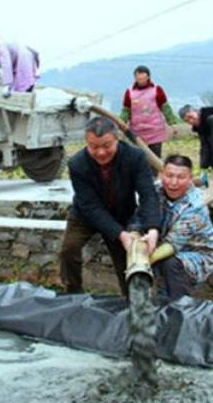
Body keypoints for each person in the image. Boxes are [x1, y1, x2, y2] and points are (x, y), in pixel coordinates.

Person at [60, 116, 161, 296]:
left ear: (117, 139)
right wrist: (120, 234)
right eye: (94, 147)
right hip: (85, 215)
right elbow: (91, 207)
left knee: (126, 259)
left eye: (107, 146)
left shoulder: (135, 157)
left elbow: (148, 195)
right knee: (69, 249)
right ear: (86, 143)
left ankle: (132, 300)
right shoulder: (77, 164)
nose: (100, 152)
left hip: (121, 213)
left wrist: (152, 228)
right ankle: (72, 294)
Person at [150, 154, 213, 300]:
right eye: (169, 176)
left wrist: (142, 261)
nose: (173, 183)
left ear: (190, 179)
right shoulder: (156, 190)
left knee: (169, 264)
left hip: (196, 254)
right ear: (161, 175)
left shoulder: (195, 206)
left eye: (181, 177)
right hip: (164, 247)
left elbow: (171, 245)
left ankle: (179, 308)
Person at [119, 65, 180, 158]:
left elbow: (165, 108)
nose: (141, 80)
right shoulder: (129, 92)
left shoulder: (157, 90)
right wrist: (120, 123)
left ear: (148, 77)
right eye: (138, 78)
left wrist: (173, 124)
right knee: (137, 156)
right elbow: (126, 111)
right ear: (135, 78)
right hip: (137, 131)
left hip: (155, 130)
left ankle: (154, 173)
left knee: (155, 157)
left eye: (143, 78)